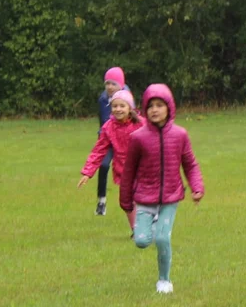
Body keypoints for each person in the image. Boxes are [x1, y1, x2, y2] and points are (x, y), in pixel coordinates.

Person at [120, 84, 204, 294]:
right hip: (144, 198)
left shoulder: (180, 135)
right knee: (141, 241)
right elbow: (128, 171)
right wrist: (125, 200)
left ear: (169, 108)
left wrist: (197, 186)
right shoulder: (138, 138)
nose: (155, 110)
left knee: (162, 238)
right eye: (150, 106)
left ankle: (164, 281)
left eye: (159, 105)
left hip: (170, 197)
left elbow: (190, 164)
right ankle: (153, 223)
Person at [78, 89, 144, 231]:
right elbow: (99, 150)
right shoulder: (108, 127)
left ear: (130, 107)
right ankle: (136, 230)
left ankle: (149, 221)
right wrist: (87, 172)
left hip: (142, 169)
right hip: (123, 171)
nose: (118, 109)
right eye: (115, 106)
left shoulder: (141, 124)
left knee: (141, 197)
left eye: (122, 106)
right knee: (126, 202)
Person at [93, 67, 130, 216]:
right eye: (107, 83)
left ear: (120, 85)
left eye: (113, 83)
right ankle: (101, 201)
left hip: (125, 140)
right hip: (109, 138)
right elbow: (103, 122)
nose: (109, 87)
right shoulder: (102, 99)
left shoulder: (127, 96)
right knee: (103, 165)